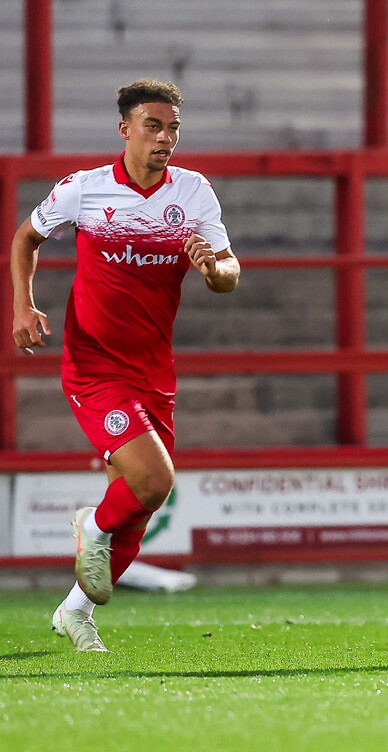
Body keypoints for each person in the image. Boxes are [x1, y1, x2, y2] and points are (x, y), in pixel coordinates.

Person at [10, 79, 241, 652]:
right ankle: (92, 524)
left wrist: (214, 268)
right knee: (153, 480)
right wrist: (22, 302)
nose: (166, 138)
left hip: (153, 369)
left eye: (174, 128)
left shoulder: (192, 192)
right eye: (154, 126)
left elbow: (228, 270)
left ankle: (75, 611)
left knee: (142, 506)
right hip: (93, 365)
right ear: (125, 129)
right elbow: (25, 238)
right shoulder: (83, 190)